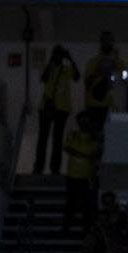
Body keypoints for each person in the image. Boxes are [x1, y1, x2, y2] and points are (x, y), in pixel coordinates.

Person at [35, 46, 79, 175]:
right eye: (56, 54)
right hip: (47, 107)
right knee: (43, 138)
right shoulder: (48, 67)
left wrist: (71, 59)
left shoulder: (67, 69)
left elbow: (77, 77)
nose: (59, 56)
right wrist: (50, 62)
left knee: (57, 139)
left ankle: (55, 168)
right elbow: (43, 78)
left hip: (62, 108)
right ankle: (38, 167)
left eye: (61, 54)